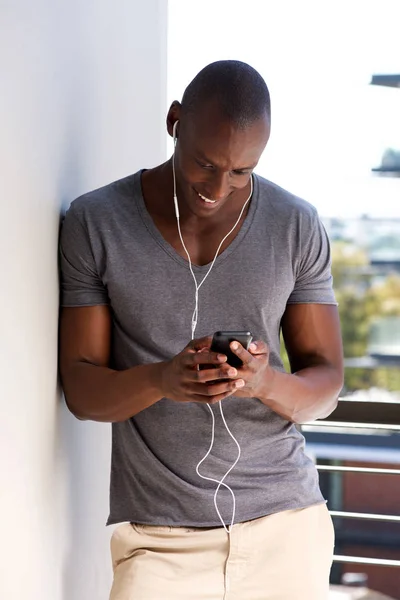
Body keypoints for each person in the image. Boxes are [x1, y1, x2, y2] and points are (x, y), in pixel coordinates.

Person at [59, 60, 344, 600]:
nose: (219, 187)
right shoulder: (97, 223)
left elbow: (325, 388)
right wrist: (163, 380)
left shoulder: (296, 225)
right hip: (160, 540)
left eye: (242, 171)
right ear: (174, 122)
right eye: (205, 164)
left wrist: (261, 382)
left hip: (287, 528)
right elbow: (81, 390)